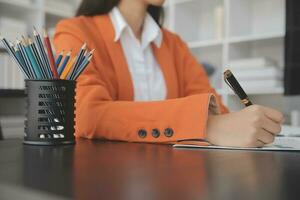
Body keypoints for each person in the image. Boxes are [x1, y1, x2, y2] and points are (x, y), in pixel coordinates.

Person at [54, 0, 283, 147]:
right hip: (103, 180)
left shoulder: (175, 45)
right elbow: (85, 114)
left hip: (174, 180)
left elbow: (218, 111)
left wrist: (235, 124)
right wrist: (205, 126)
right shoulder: (74, 32)